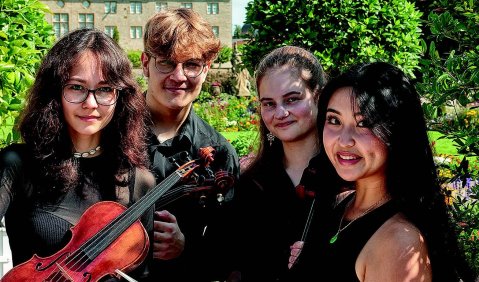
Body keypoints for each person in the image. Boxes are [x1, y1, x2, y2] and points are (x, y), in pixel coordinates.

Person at [289, 62, 476, 281]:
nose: (344, 140)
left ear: (396, 132)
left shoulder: (398, 243)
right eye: (334, 120)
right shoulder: (342, 205)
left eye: (364, 123)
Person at [0, 28, 156, 280]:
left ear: (120, 97)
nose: (91, 103)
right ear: (55, 93)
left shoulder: (139, 181)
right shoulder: (17, 165)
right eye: (76, 87)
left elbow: (142, 274)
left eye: (105, 89)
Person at [140, 8, 240, 282]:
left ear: (206, 70)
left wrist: (186, 247)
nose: (179, 76)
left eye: (192, 64)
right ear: (145, 63)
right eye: (166, 63)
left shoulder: (219, 154)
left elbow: (226, 255)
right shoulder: (108, 133)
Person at [231, 45, 334, 281]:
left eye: (292, 99)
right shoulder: (252, 182)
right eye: (269, 103)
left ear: (318, 96)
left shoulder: (344, 177)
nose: (280, 113)